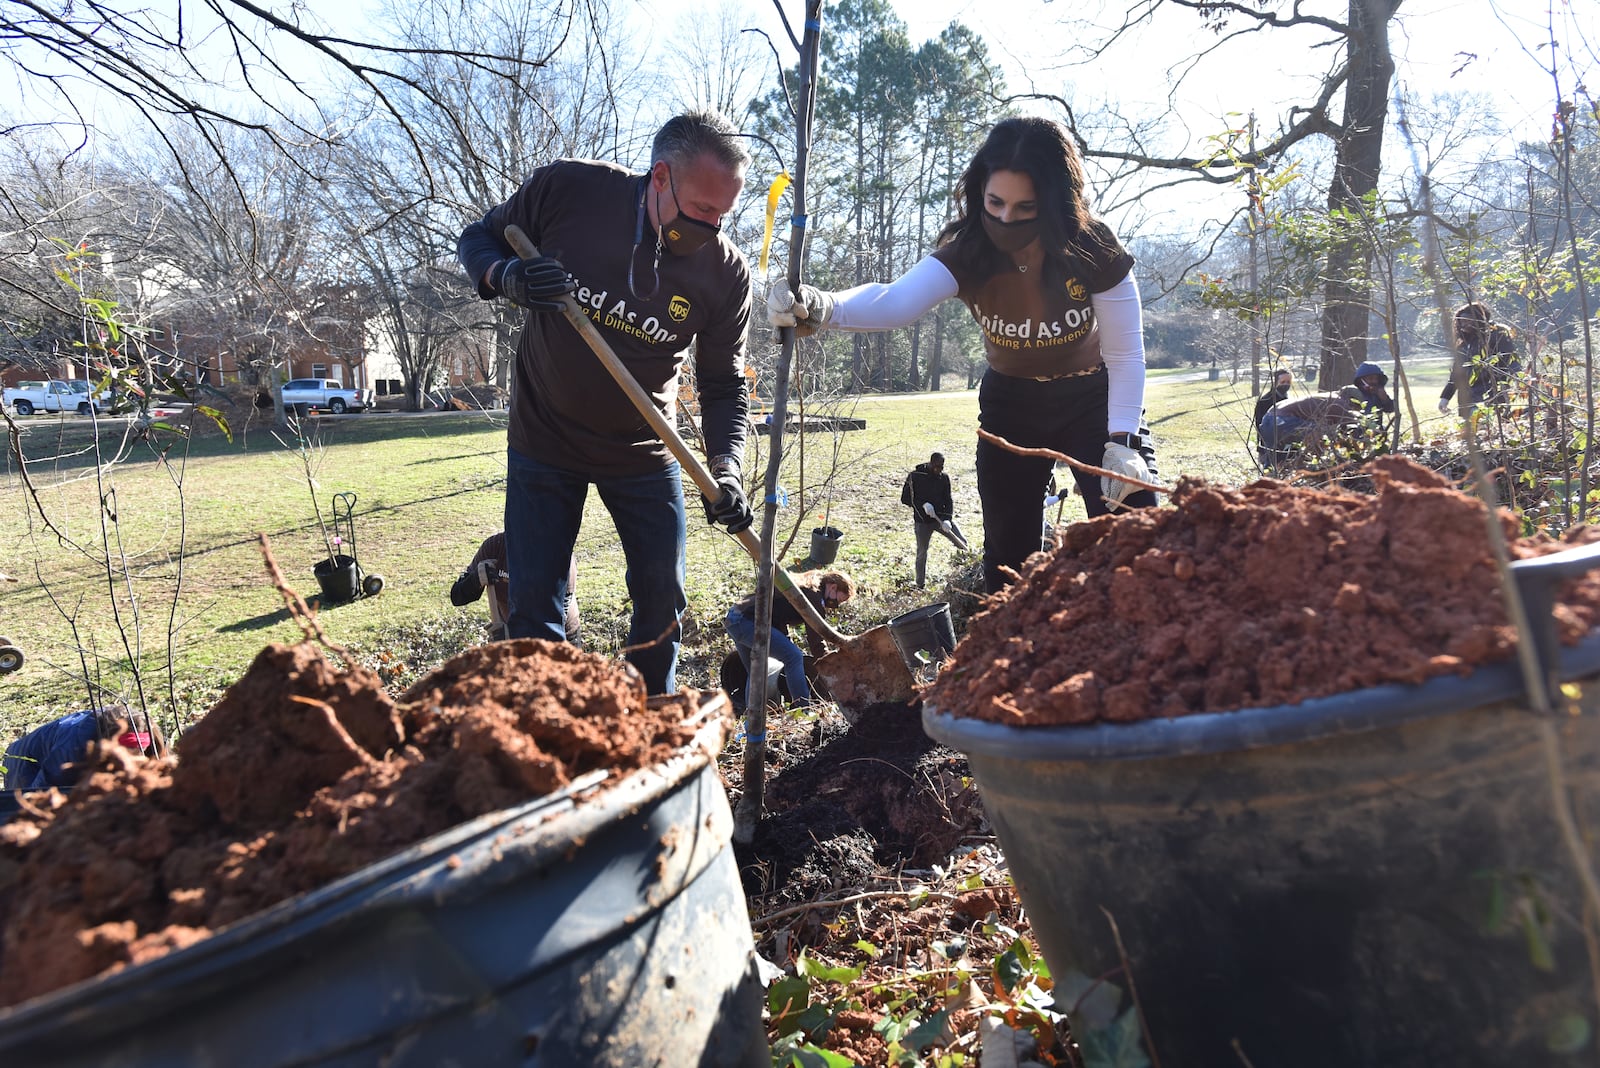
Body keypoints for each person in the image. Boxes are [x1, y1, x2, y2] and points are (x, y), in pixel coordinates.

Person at [767, 116, 1158, 592]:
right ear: (979, 193)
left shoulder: (1092, 246)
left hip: (1095, 399)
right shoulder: (970, 251)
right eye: (995, 203)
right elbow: (894, 302)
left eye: (1025, 207)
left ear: (1055, 201)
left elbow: (1125, 352)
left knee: (1135, 536)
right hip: (1011, 406)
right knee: (1008, 565)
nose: (1006, 220)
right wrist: (822, 305)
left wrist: (1123, 440)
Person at [456, 111, 755, 694]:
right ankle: (549, 732)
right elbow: (478, 237)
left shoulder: (724, 274)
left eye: (725, 214)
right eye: (704, 211)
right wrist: (508, 276)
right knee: (533, 611)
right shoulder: (571, 192)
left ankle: (651, 728)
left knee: (661, 607)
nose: (714, 228)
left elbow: (723, 386)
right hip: (546, 436)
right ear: (661, 177)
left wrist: (727, 469)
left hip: (645, 449)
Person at [723, 570, 855, 710]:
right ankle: (804, 709)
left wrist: (787, 642)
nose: (834, 605)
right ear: (833, 587)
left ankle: (751, 718)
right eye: (838, 601)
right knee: (794, 657)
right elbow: (816, 638)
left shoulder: (803, 587)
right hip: (747, 621)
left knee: (757, 671)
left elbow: (778, 616)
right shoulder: (814, 597)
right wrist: (830, 666)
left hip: (735, 618)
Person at [449, 532, 581, 645]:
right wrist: (475, 579)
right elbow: (457, 596)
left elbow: (556, 616)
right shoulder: (495, 547)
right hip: (512, 636)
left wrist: (513, 634)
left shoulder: (558, 552)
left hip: (562, 637)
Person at [901, 452, 968, 589]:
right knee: (922, 552)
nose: (938, 470)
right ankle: (920, 584)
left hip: (941, 519)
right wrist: (922, 505)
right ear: (931, 463)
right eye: (936, 466)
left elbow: (948, 500)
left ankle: (965, 575)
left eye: (941, 467)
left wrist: (947, 519)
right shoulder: (915, 476)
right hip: (922, 522)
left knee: (962, 542)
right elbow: (905, 498)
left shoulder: (943, 478)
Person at [1439, 301, 1519, 415]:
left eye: (1467, 320)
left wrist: (1517, 379)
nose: (1463, 325)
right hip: (1467, 400)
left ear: (1479, 319)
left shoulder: (1496, 336)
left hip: (1490, 395)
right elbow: (1456, 373)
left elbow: (1509, 361)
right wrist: (1445, 398)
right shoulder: (1463, 344)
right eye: (1461, 321)